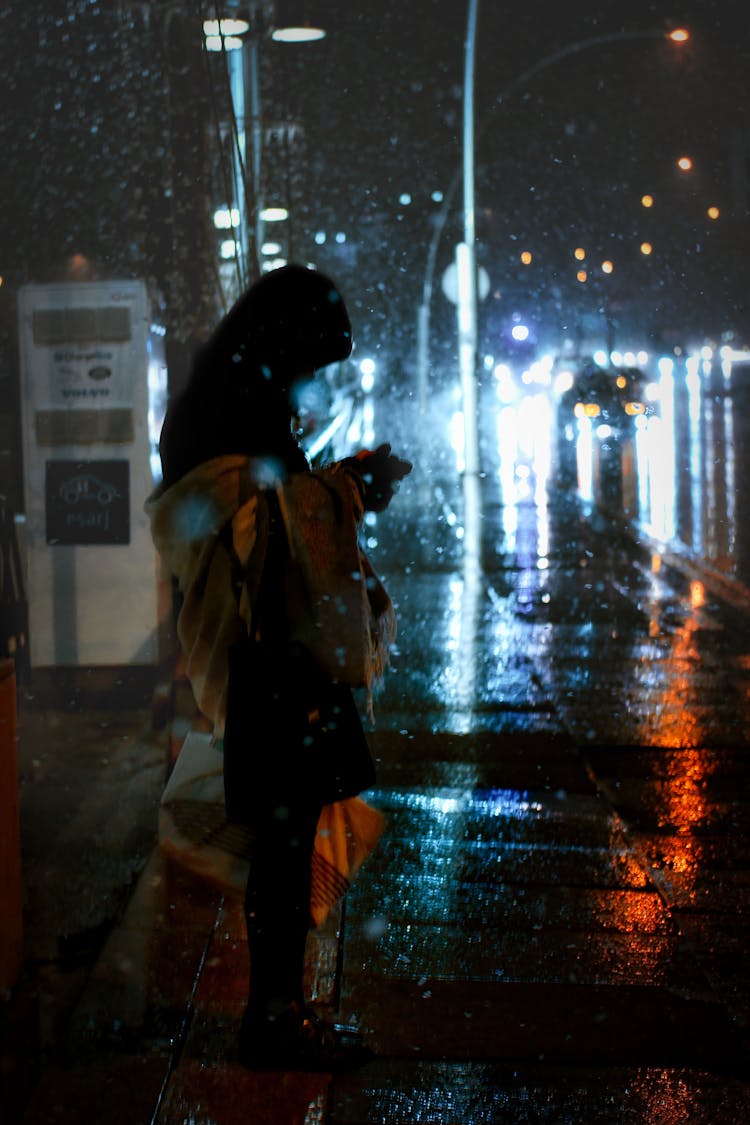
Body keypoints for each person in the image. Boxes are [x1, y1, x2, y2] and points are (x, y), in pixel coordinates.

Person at [146, 264, 411, 1071]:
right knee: (285, 842)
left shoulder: (230, 397)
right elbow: (261, 529)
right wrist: (351, 487)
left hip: (275, 656)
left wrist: (340, 486)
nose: (308, 381)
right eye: (308, 361)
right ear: (281, 342)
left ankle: (280, 1008)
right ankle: (273, 1018)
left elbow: (274, 511)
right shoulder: (228, 411)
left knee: (287, 840)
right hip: (271, 660)